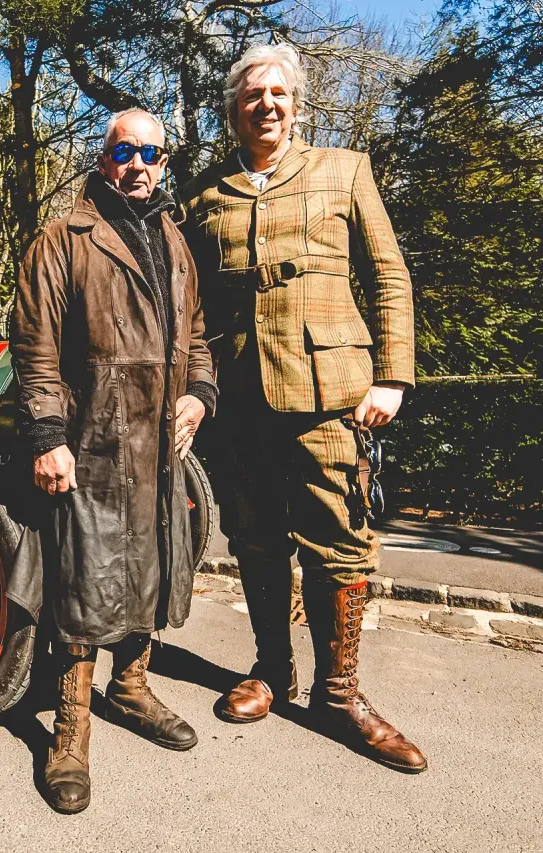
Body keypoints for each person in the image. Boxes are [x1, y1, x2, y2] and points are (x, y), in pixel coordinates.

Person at [180, 44, 427, 773]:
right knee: (255, 540)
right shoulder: (203, 194)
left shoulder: (344, 171)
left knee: (341, 541)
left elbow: (389, 276)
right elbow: (188, 304)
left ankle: (339, 693)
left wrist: (393, 378)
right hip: (241, 400)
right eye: (252, 95)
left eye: (278, 93)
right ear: (233, 111)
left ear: (297, 104)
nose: (266, 104)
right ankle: (270, 671)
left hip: (332, 394)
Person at [8, 108, 218, 812]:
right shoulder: (63, 238)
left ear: (163, 162)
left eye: (150, 153)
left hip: (160, 441)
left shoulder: (175, 239)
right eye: (124, 151)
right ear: (104, 160)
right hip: (92, 437)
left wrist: (200, 395)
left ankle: (129, 687)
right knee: (83, 579)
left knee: (152, 565)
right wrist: (47, 435)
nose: (137, 164)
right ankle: (70, 730)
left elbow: (197, 333)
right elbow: (33, 344)